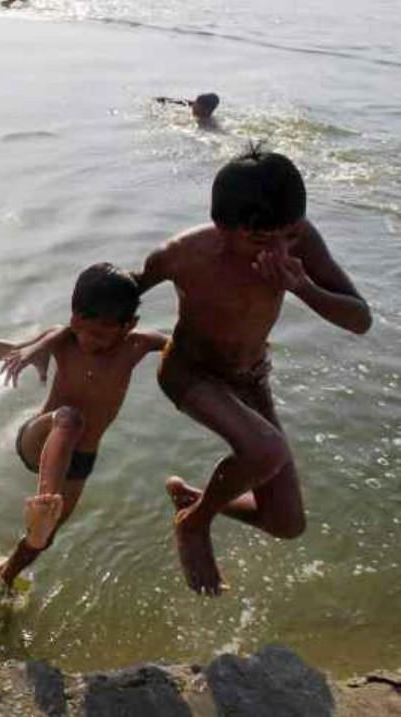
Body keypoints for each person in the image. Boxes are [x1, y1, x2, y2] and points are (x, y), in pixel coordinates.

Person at [132, 147, 371, 596]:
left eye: (290, 235)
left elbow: (360, 319)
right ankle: (194, 525)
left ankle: (194, 498)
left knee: (286, 523)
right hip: (190, 372)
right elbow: (117, 298)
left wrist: (302, 287)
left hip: (250, 377)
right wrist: (67, 345)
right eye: (263, 241)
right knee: (266, 448)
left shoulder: (301, 241)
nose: (281, 250)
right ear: (225, 230)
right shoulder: (181, 255)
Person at [0, 263, 167, 589]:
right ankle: (44, 503)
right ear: (74, 318)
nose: (89, 341)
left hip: (80, 460)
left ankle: (5, 575)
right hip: (40, 438)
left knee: (44, 538)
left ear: (129, 326)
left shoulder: (137, 346)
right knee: (70, 418)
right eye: (82, 329)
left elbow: (184, 346)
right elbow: (11, 352)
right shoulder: (63, 341)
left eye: (102, 337)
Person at [155, 92, 220, 129]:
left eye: (196, 104)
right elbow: (186, 102)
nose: (193, 106)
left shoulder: (203, 124)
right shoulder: (205, 113)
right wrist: (167, 100)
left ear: (206, 110)